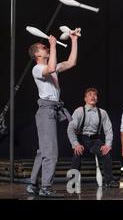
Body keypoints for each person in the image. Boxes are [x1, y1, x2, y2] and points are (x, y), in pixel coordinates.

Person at [26, 31, 78, 197]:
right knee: (51, 153)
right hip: (46, 112)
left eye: (47, 46)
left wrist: (74, 40)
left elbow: (71, 63)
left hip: (52, 111)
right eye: (43, 47)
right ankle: (45, 188)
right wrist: (54, 46)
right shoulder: (37, 68)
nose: (46, 47)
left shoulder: (52, 67)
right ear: (37, 54)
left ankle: (32, 184)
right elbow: (49, 68)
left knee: (43, 151)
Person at [67, 88, 119, 188]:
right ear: (85, 99)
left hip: (95, 141)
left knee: (106, 153)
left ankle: (109, 181)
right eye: (90, 94)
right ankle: (72, 182)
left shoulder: (102, 113)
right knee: (77, 155)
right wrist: (75, 144)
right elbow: (70, 129)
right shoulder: (79, 111)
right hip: (82, 139)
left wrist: (108, 145)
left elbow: (109, 130)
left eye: (95, 95)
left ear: (97, 99)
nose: (93, 96)